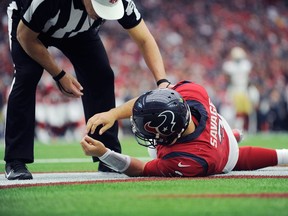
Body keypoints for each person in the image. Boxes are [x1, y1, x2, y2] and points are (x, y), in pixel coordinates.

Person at [4, 0, 170, 180]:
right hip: (30, 29)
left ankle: (107, 154)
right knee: (27, 75)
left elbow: (144, 39)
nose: (102, 14)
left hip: (78, 32)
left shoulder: (122, 2)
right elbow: (25, 36)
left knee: (101, 75)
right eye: (100, 8)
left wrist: (162, 81)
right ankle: (15, 160)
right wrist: (59, 74)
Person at [80, 80, 288, 177]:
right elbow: (152, 100)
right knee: (230, 146)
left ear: (170, 134)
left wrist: (104, 153)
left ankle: (229, 139)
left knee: (233, 161)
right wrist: (113, 114)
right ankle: (229, 136)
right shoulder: (192, 92)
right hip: (218, 129)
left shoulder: (190, 160)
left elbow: (140, 169)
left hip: (219, 156)